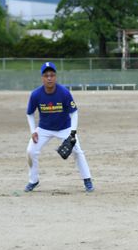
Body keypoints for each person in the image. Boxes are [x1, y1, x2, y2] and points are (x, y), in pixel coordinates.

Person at [25, 62, 94, 193]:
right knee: (30, 151)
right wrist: (33, 131)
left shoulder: (64, 92)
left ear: (55, 77)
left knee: (78, 152)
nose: (49, 78)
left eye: (52, 75)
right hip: (44, 129)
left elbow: (74, 112)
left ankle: (87, 180)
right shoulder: (36, 94)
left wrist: (72, 133)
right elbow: (29, 114)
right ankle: (33, 180)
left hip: (65, 128)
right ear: (42, 78)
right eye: (46, 75)